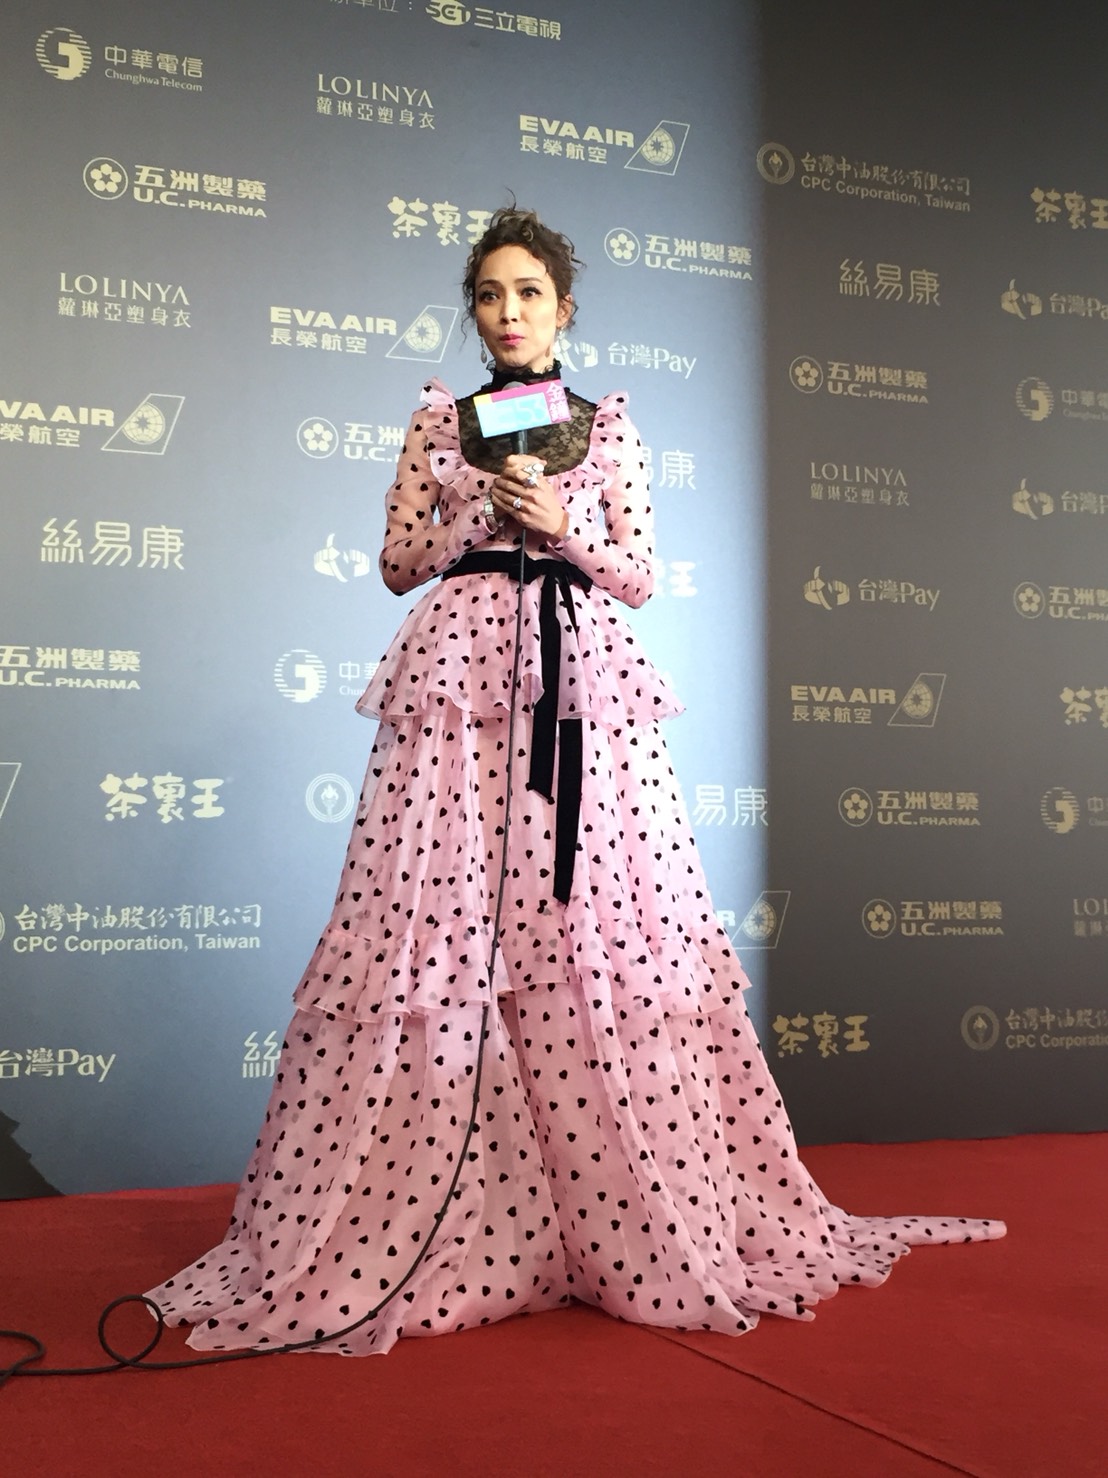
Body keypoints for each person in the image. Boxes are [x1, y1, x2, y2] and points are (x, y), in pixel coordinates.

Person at [146, 207, 1004, 1356]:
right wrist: (469, 522)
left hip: (579, 679)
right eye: (489, 293)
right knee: (446, 923)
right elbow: (396, 562)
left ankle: (613, 1226)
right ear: (474, 309)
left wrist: (561, 526)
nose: (507, 312)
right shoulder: (439, 425)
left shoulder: (605, 429)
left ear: (563, 308)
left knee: (589, 924)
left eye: (528, 293)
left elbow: (638, 574)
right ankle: (457, 1225)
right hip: (459, 680)